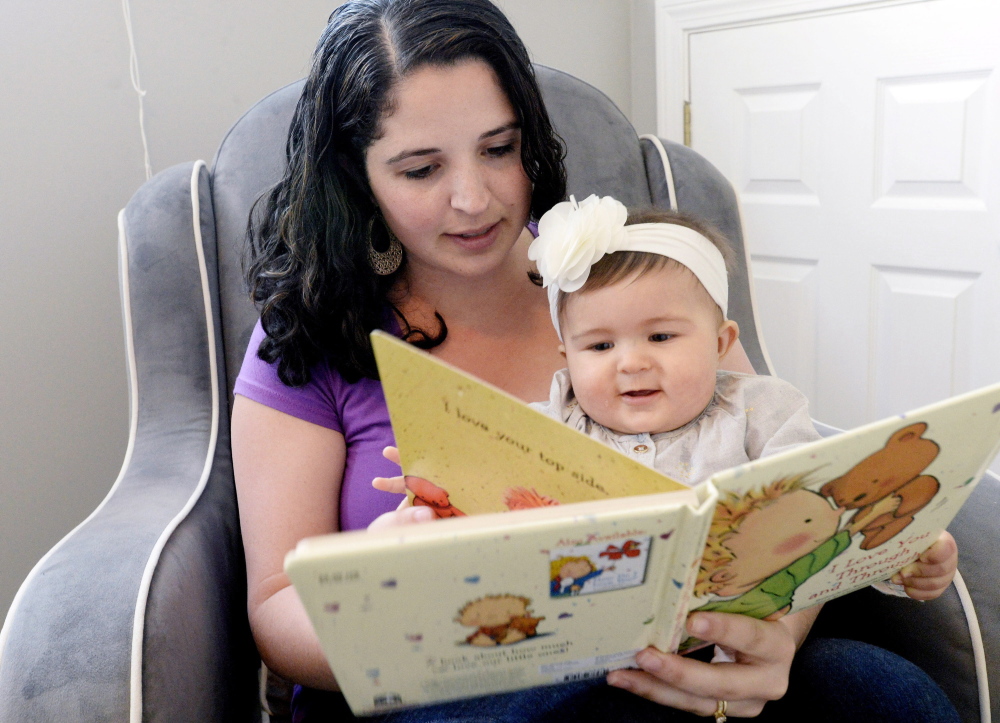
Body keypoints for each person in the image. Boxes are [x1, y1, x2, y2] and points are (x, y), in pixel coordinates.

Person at [231, 0, 959, 720]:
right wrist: (380, 594)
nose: (473, 198)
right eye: (421, 169)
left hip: (676, 654)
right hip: (451, 684)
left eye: (498, 148)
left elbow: (755, 463)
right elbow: (273, 608)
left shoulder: (614, 274)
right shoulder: (310, 331)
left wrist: (771, 641)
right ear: (357, 177)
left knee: (886, 691)